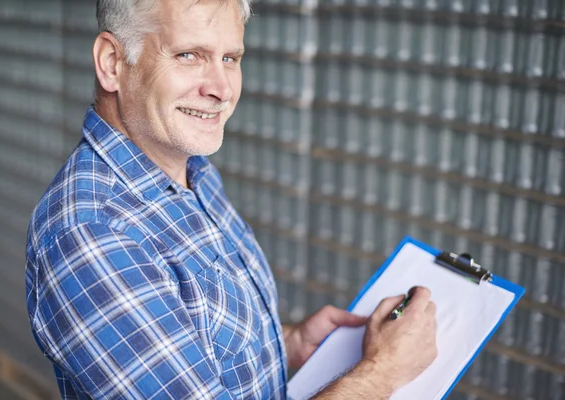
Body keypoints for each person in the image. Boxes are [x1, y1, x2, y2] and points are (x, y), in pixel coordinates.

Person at [25, 0, 437, 398]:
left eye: (230, 58)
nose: (221, 89)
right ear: (112, 63)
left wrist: (285, 344)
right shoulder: (92, 233)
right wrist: (382, 372)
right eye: (189, 55)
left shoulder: (193, 173)